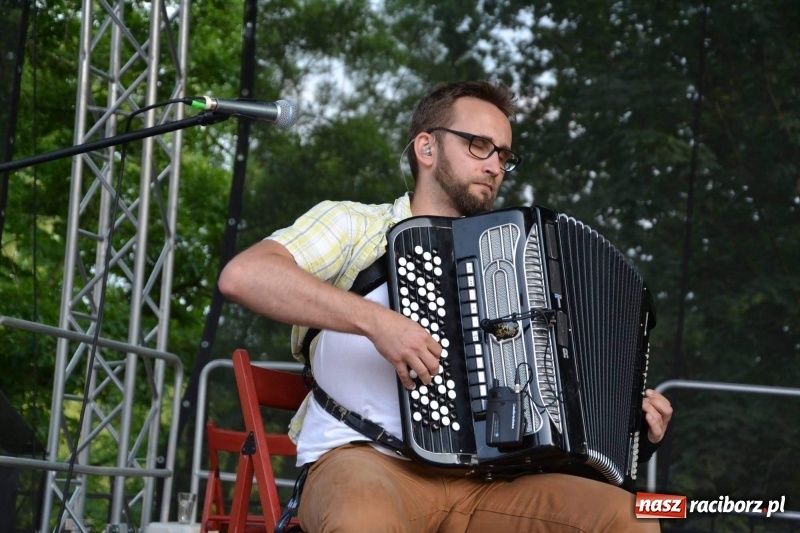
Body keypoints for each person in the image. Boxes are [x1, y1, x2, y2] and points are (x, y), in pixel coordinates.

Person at [218, 80, 673, 533]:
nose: (495, 165)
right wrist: (378, 323)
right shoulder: (357, 225)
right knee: (364, 521)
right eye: (479, 145)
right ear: (426, 148)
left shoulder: (516, 267)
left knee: (631, 517)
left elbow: (550, 417)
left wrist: (632, 431)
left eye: (504, 155)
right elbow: (246, 276)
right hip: (364, 461)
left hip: (487, 484)